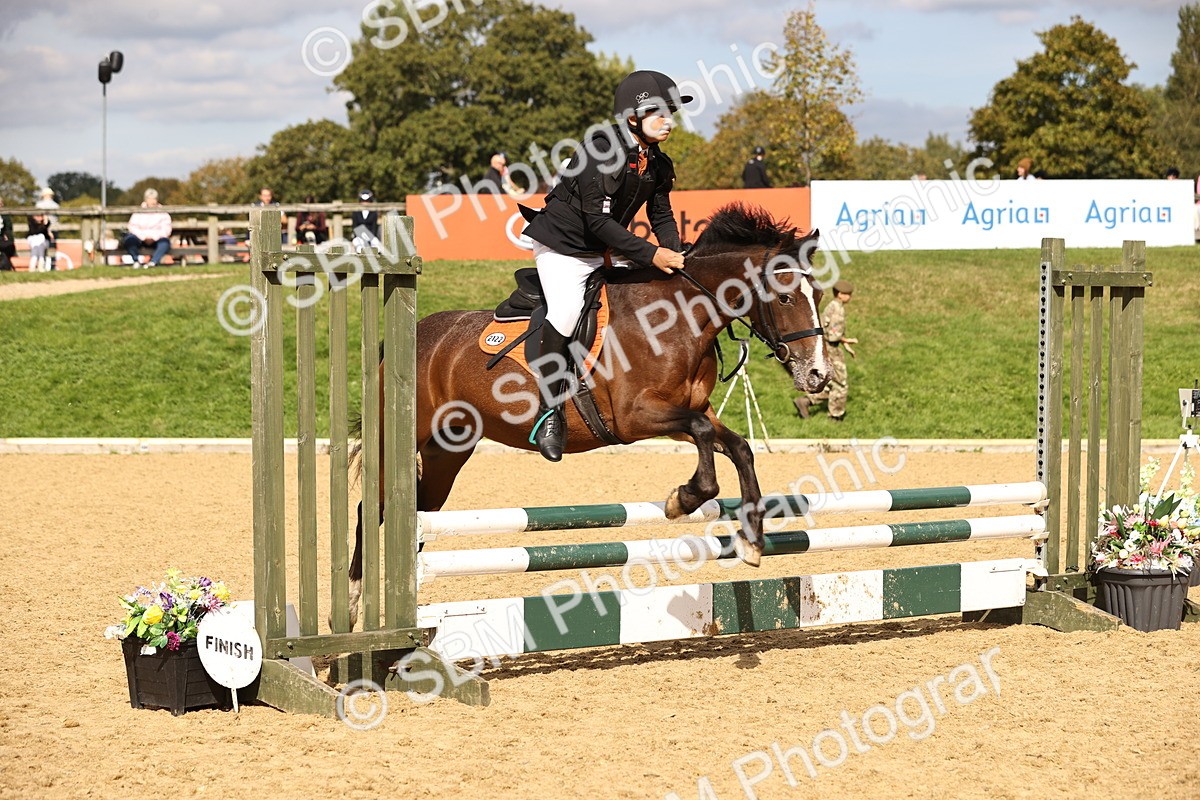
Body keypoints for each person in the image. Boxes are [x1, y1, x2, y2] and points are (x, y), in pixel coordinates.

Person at [520, 69, 693, 461]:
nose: (669, 121)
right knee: (564, 313)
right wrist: (651, 254)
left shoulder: (657, 162)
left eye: (671, 112)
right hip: (563, 248)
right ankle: (550, 412)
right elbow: (597, 222)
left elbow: (661, 215)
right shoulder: (598, 151)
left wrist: (676, 256)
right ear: (633, 117)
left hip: (604, 248)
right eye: (659, 113)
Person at [794, 280, 857, 422]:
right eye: (848, 294)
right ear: (840, 294)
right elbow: (834, 334)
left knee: (831, 383)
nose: (850, 297)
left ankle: (806, 401)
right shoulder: (837, 309)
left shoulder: (832, 306)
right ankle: (836, 415)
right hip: (831, 349)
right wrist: (845, 341)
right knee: (841, 384)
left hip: (825, 347)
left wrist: (846, 344)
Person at [122, 188, 172, 268]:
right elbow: (132, 226)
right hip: (140, 238)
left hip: (157, 239)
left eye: (154, 199)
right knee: (129, 240)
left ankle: (153, 262)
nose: (152, 201)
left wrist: (154, 237)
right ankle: (136, 260)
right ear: (146, 200)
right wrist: (143, 237)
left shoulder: (163, 213)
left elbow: (166, 229)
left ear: (157, 200)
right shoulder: (138, 212)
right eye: (149, 199)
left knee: (165, 243)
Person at [35, 187, 59, 269]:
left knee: (41, 248)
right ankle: (51, 265)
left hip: (42, 230)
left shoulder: (39, 205)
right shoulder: (55, 205)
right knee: (52, 248)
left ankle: (42, 265)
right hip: (53, 229)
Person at [0, 198, 15, 271]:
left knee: (8, 247)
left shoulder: (5, 215)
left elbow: (8, 229)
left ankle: (4, 268)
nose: (1, 205)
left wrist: (8, 238)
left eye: (1, 203)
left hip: (1, 238)